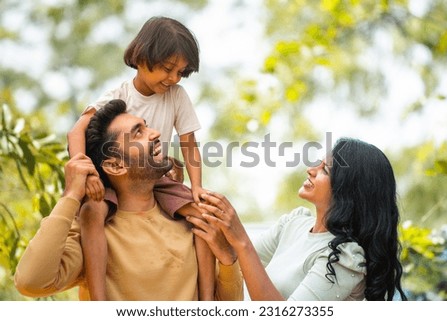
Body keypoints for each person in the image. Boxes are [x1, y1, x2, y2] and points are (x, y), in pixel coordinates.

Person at [14, 99, 243, 301]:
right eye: (138, 133)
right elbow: (30, 282)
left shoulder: (188, 218)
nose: (155, 133)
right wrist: (71, 195)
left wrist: (227, 260)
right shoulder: (94, 232)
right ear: (115, 165)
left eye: (146, 126)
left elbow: (226, 307)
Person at [66, 16, 213, 300]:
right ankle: (99, 301)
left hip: (156, 178)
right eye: (168, 68)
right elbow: (76, 132)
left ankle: (206, 300)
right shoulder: (119, 95)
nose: (173, 79)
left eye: (181, 72)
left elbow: (189, 144)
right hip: (116, 178)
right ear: (142, 55)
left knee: (203, 216)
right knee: (92, 212)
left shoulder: (177, 96)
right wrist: (89, 175)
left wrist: (197, 188)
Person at [188, 137, 408, 301]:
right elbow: (237, 265)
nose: (311, 170)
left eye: (325, 170)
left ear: (349, 191)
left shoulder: (344, 258)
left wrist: (240, 239)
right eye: (318, 163)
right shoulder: (294, 223)